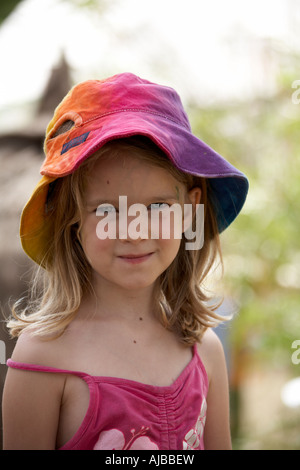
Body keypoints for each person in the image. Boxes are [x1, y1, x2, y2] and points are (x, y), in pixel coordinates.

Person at [2, 73, 248, 450]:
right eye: (107, 210)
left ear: (190, 209)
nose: (134, 232)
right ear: (71, 217)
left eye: (158, 207)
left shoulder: (204, 350)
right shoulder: (45, 357)